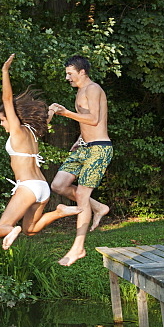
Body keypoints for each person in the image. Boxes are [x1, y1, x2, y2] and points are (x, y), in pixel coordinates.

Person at [0, 54, 81, 250]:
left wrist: (5, 72)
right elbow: (45, 122)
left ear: (13, 118)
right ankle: (59, 211)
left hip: (28, 187)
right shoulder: (33, 132)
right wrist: (51, 110)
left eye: (3, 119)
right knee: (31, 229)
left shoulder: (17, 131)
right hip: (42, 187)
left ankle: (11, 230)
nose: (2, 123)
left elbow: (7, 99)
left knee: (1, 228)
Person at [49, 55, 113, 266]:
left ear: (82, 72)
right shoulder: (80, 91)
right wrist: (79, 138)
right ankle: (98, 207)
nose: (67, 77)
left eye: (70, 73)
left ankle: (78, 248)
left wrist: (66, 113)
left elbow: (95, 119)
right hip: (84, 147)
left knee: (83, 196)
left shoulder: (93, 89)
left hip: (99, 149)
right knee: (58, 185)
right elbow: (89, 124)